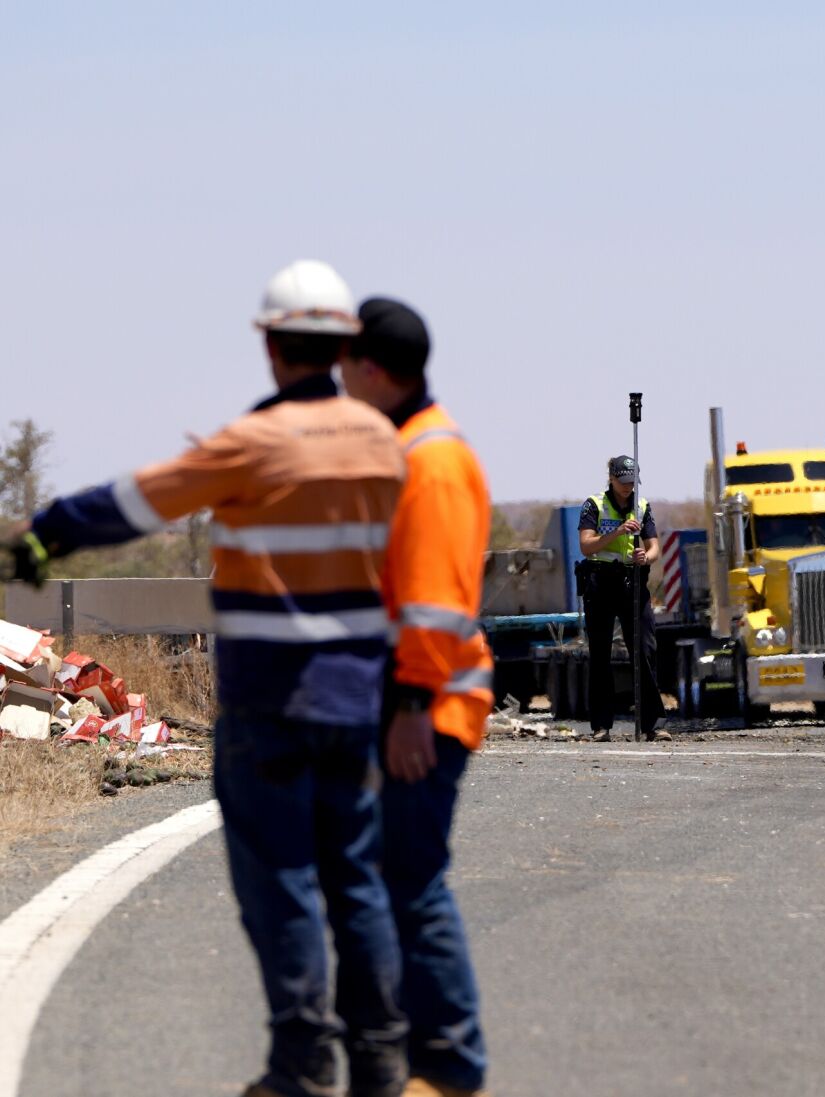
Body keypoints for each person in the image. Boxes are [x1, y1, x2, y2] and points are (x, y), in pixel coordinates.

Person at [11, 260, 409, 1097]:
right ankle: (380, 1062)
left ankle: (302, 1065)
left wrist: (45, 533)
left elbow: (139, 498)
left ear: (269, 345)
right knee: (359, 880)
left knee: (286, 884)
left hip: (270, 705)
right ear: (344, 346)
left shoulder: (253, 443)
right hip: (359, 702)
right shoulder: (384, 445)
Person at [339, 298, 492, 1097]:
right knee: (396, 881)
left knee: (414, 882)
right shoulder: (410, 447)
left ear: (370, 368)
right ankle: (425, 1059)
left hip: (426, 710)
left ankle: (452, 1065)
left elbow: (434, 609)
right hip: (412, 703)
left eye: (343, 363)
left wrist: (406, 710)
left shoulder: (428, 460)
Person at [578, 455, 668, 742]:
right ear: (612, 479)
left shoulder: (642, 506)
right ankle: (601, 726)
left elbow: (655, 547)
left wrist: (646, 557)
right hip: (600, 581)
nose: (629, 487)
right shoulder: (594, 505)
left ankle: (651, 724)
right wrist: (616, 532)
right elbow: (586, 546)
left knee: (644, 649)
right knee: (601, 653)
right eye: (624, 482)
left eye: (633, 482)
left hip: (633, 582)